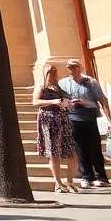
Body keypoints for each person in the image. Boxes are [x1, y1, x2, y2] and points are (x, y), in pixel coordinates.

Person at [58, 58, 111, 188]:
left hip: (90, 117)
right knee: (80, 149)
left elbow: (102, 99)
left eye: (74, 67)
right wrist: (70, 103)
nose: (71, 70)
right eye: (69, 67)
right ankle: (87, 176)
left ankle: (101, 176)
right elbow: (61, 100)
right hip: (73, 118)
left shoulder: (90, 82)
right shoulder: (63, 83)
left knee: (95, 147)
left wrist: (109, 119)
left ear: (79, 68)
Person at [33, 63, 78, 193]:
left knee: (72, 153)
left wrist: (68, 103)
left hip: (62, 120)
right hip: (49, 120)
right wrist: (53, 102)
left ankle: (69, 182)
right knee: (54, 154)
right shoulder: (41, 86)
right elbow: (35, 102)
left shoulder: (58, 87)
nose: (53, 74)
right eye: (50, 72)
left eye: (54, 71)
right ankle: (58, 183)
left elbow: (65, 98)